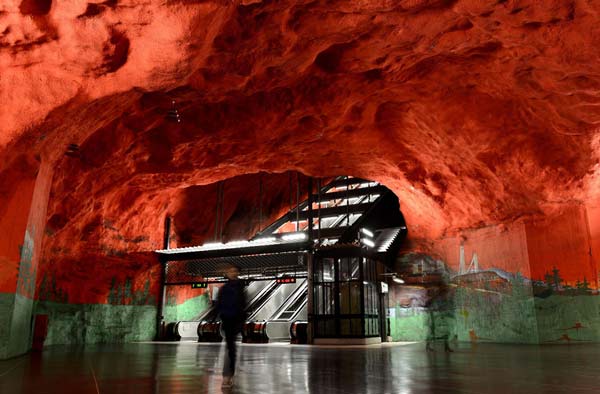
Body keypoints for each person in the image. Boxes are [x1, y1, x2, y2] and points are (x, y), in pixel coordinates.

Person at [216, 264, 247, 388]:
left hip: (237, 320)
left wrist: (242, 319)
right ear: (227, 274)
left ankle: (228, 375)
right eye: (230, 271)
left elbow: (243, 304)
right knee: (231, 348)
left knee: (231, 348)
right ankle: (227, 376)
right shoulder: (224, 288)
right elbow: (219, 304)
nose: (233, 273)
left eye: (235, 271)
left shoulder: (240, 288)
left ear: (237, 273)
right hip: (228, 321)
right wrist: (220, 317)